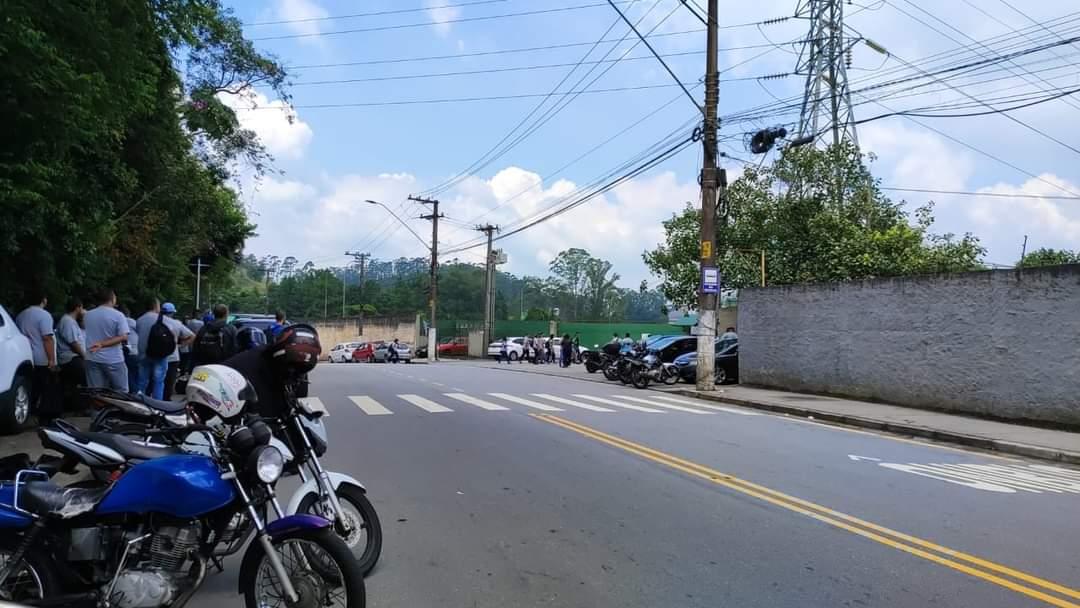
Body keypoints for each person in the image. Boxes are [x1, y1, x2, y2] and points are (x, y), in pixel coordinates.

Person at [223, 324, 321, 420]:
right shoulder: (252, 363)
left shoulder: (299, 367)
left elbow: (300, 403)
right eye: (291, 368)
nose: (294, 372)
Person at [16, 292, 59, 423]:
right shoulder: (44, 315)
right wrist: (51, 359)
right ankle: (45, 418)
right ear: (43, 300)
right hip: (42, 357)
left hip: (26, 356)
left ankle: (30, 413)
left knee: (33, 388)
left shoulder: (21, 315)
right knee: (47, 389)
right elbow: (47, 338)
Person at [83, 288, 130, 391]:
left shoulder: (87, 315)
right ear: (112, 299)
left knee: (96, 392)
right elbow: (123, 336)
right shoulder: (118, 315)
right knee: (121, 391)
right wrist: (102, 344)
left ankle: (97, 402)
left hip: (92, 358)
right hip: (113, 359)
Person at [135, 298, 169, 399]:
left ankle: (140, 401)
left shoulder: (139, 320)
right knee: (158, 382)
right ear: (155, 306)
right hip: (159, 354)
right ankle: (157, 404)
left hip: (143, 354)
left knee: (142, 381)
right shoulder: (163, 319)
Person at [160, 302, 195, 400]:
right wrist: (180, 346)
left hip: (157, 355)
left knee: (157, 380)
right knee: (169, 381)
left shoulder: (156, 321)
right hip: (173, 356)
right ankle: (166, 401)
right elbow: (192, 336)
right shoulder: (176, 323)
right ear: (172, 313)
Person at [56, 298, 87, 408]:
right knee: (86, 379)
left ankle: (75, 406)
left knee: (74, 384)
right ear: (78, 308)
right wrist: (85, 356)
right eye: (82, 308)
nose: (83, 310)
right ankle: (82, 406)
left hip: (72, 358)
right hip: (71, 358)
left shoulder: (71, 321)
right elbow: (73, 343)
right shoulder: (67, 321)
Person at [119, 305, 139, 393]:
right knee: (135, 375)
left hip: (125, 352)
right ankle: (137, 393)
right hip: (136, 351)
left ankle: (133, 392)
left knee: (128, 375)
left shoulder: (118, 322)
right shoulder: (133, 322)